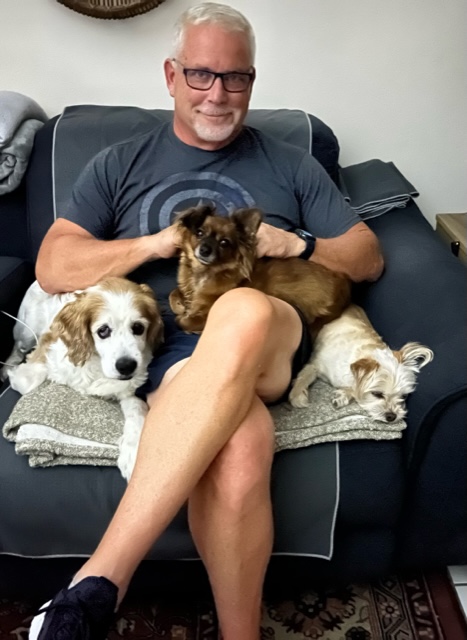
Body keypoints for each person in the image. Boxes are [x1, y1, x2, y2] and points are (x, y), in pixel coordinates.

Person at [29, 3, 384, 639]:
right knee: (242, 445)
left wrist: (295, 245)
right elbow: (55, 262)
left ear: (252, 80)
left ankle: (101, 577)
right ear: (171, 76)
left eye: (235, 77)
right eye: (200, 74)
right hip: (174, 353)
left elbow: (368, 257)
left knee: (241, 307)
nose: (218, 94)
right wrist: (152, 245)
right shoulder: (120, 163)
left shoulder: (291, 165)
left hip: (270, 337)